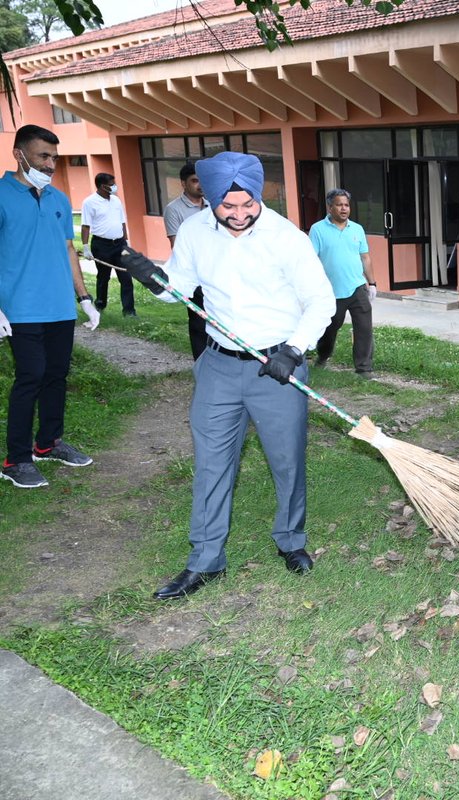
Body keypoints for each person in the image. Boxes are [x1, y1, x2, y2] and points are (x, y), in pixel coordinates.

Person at [122, 151, 336, 600]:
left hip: (277, 366)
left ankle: (291, 541)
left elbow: (321, 301)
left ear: (259, 197)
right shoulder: (196, 231)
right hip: (218, 364)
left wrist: (295, 349)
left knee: (287, 461)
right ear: (211, 197)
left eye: (248, 205)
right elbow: (179, 287)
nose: (239, 215)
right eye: (227, 206)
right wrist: (154, 278)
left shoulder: (286, 238)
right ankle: (205, 561)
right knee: (211, 464)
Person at [0, 124, 100, 489]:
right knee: (31, 376)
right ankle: (16, 459)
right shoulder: (1, 195)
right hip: (20, 309)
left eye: (54, 158)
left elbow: (69, 250)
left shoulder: (58, 199)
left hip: (60, 307)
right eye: (43, 156)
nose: (50, 164)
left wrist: (84, 297)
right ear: (19, 154)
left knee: (57, 376)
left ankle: (48, 443)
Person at [309, 188, 377, 377]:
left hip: (357, 288)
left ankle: (364, 368)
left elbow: (365, 257)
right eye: (339, 205)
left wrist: (372, 283)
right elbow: (311, 260)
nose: (344, 208)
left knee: (364, 328)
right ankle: (323, 356)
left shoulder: (357, 229)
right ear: (330, 207)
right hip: (331, 291)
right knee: (330, 329)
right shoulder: (317, 230)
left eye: (346, 205)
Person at [163, 161, 210, 360]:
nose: (200, 185)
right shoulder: (174, 210)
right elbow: (177, 246)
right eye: (194, 181)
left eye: (202, 180)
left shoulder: (212, 206)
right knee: (199, 322)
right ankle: (201, 364)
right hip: (193, 275)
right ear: (183, 183)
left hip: (217, 271)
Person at [81, 171, 137, 317]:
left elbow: (122, 221)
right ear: (101, 186)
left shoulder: (116, 200)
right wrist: (86, 247)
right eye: (111, 185)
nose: (114, 187)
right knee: (103, 277)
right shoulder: (89, 202)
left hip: (119, 244)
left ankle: (129, 311)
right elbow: (85, 226)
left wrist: (127, 241)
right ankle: (100, 305)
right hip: (101, 245)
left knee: (126, 278)